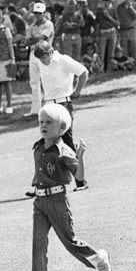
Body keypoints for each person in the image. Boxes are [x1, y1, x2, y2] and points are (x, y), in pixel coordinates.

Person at [30, 103, 112, 271]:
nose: (43, 126)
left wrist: (80, 156)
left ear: (61, 128)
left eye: (49, 122)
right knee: (38, 243)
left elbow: (79, 177)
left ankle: (99, 258)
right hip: (39, 201)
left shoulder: (64, 151)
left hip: (57, 201)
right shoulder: (38, 147)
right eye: (41, 122)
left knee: (70, 242)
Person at [33, 40, 89, 191]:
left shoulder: (63, 60)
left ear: (50, 52)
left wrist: (77, 91)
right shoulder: (41, 64)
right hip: (49, 104)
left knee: (67, 142)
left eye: (43, 58)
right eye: (40, 59)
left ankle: (80, 181)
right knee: (45, 144)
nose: (42, 62)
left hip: (63, 104)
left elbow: (83, 72)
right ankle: (42, 183)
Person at [23, 2, 54, 118]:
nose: (37, 15)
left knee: (47, 80)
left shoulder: (48, 24)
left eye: (39, 13)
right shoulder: (32, 26)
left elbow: (43, 38)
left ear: (44, 13)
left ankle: (49, 108)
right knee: (34, 82)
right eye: (36, 13)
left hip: (45, 54)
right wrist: (35, 39)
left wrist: (33, 39)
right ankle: (36, 110)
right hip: (33, 53)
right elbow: (26, 42)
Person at [95, 0, 119, 72]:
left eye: (107, 0)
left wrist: (109, 16)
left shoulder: (113, 10)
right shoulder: (99, 10)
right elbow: (97, 23)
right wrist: (97, 33)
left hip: (112, 32)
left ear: (109, 1)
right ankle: (101, 70)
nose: (105, 2)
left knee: (111, 54)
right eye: (104, 0)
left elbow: (117, 23)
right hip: (103, 33)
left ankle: (109, 70)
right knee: (101, 53)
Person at [116, 0, 136, 64]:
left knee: (134, 51)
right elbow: (117, 19)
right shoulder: (119, 7)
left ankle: (135, 67)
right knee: (125, 53)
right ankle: (126, 67)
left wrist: (130, 7)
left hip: (133, 30)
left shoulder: (135, 5)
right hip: (123, 31)